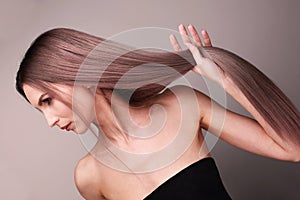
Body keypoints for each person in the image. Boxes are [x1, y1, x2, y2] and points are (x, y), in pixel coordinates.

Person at [16, 24, 300, 200]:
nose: (50, 121)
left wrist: (225, 80)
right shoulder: (89, 176)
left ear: (80, 74)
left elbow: (293, 149)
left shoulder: (182, 105)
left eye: (47, 101)